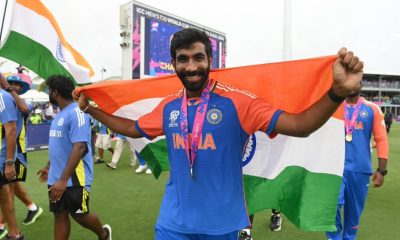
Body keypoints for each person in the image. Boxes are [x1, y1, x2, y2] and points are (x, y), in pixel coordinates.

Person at [75, 28, 363, 239]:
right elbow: (131, 128)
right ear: (173, 64)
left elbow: (301, 126)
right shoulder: (169, 106)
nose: (191, 67)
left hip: (222, 225)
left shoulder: (239, 102)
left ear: (210, 59)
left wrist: (337, 93)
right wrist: (91, 111)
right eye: (183, 59)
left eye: (198, 58)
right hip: (172, 224)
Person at [37, 75, 111, 240]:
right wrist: (49, 167)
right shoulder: (59, 115)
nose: (49, 93)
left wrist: (63, 180)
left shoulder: (77, 112)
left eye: (50, 90)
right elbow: (62, 147)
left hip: (75, 178)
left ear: (55, 92)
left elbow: (80, 147)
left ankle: (103, 234)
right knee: (60, 215)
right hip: (56, 178)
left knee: (80, 215)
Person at [325, 89, 388, 240]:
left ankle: (348, 237)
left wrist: (381, 170)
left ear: (361, 84)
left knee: (353, 215)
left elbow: (381, 139)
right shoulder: (332, 107)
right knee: (331, 208)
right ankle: (334, 238)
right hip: (334, 168)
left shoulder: (372, 109)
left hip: (360, 170)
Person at [0, 74, 44, 231]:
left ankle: (3, 226)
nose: (14, 86)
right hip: (7, 151)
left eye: (16, 84)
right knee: (11, 186)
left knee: (8, 189)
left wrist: (7, 87)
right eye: (11, 83)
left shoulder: (20, 102)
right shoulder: (5, 100)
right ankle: (32, 207)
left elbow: (24, 109)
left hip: (16, 152)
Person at [0, 74, 24, 240]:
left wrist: (9, 162)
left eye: (17, 84)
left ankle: (14, 233)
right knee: (4, 195)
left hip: (5, 155)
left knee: (6, 193)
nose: (15, 86)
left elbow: (11, 129)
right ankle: (14, 234)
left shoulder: (4, 97)